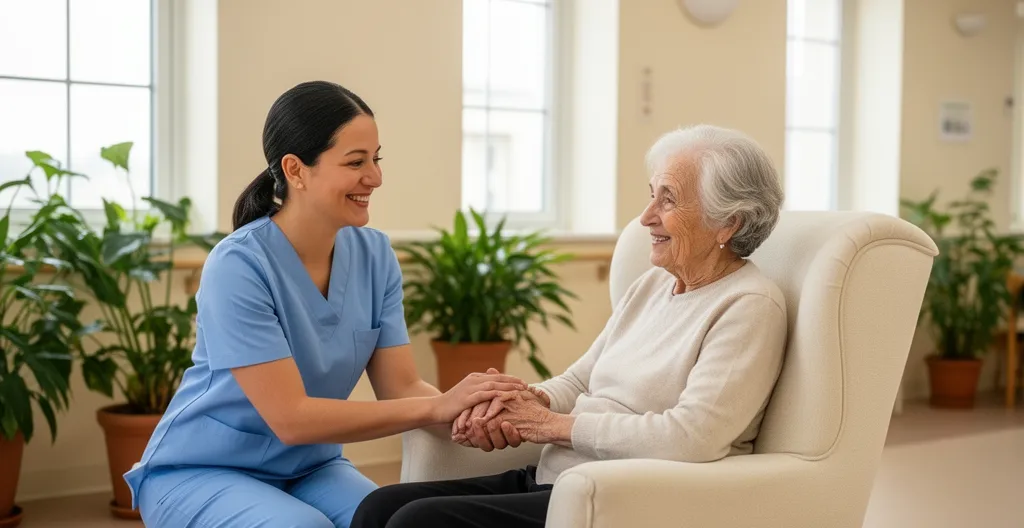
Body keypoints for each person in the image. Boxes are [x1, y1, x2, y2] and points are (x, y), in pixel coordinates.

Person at [123, 81, 527, 528]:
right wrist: (440, 406)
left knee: (398, 518)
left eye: (376, 159)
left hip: (310, 468)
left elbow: (403, 387)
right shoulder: (237, 265)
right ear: (296, 170)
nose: (374, 177)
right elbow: (291, 418)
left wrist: (477, 410)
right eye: (355, 162)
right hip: (203, 470)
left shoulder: (375, 256)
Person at [351, 124, 790, 528]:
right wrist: (521, 401)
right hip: (558, 477)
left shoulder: (747, 306)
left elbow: (693, 437)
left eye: (668, 199)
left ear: (728, 222)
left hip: (621, 497)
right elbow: (581, 379)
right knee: (380, 506)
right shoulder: (654, 285)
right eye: (651, 194)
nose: (646, 216)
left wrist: (548, 425)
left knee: (418, 523)